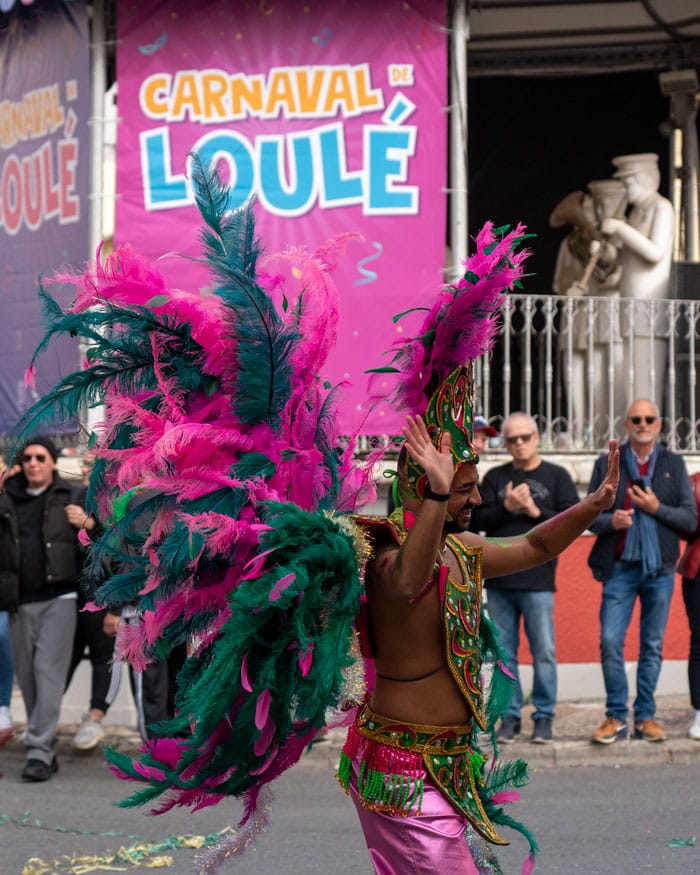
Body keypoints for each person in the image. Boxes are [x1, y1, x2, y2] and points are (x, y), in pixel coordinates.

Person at [587, 399, 696, 744]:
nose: (643, 424)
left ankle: (646, 716)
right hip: (619, 567)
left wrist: (655, 508)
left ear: (659, 425)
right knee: (609, 641)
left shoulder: (674, 464)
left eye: (649, 419)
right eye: (636, 419)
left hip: (660, 569)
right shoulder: (607, 463)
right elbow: (588, 514)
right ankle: (616, 716)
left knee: (652, 645)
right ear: (626, 424)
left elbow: (690, 519)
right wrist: (611, 520)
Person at [470, 413, 579, 744]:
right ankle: (510, 716)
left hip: (539, 581)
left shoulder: (558, 476)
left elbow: (571, 522)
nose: (519, 444)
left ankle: (543, 716)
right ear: (504, 443)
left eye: (524, 437)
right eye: (512, 439)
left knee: (543, 651)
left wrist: (534, 512)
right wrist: (506, 505)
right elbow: (476, 520)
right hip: (500, 581)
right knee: (504, 653)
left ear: (537, 438)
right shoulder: (493, 477)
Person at [0, 436, 83, 780]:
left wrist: (89, 525)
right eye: (28, 458)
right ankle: (45, 749)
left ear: (52, 462)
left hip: (59, 598)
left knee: (48, 673)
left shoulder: (72, 496)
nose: (34, 463)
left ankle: (37, 750)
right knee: (29, 678)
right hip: (19, 601)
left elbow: (103, 538)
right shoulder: (6, 500)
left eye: (41, 457)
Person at [601, 153, 674, 412]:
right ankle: (632, 431)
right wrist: (606, 246)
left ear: (644, 180)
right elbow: (621, 259)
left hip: (649, 310)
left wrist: (621, 230)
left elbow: (655, 252)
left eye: (627, 183)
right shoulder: (635, 214)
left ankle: (646, 429)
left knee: (646, 379)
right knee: (632, 381)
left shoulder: (661, 207)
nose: (624, 189)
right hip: (631, 307)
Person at [64, 452, 122, 750]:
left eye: (97, 464)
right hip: (68, 594)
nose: (90, 469)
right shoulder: (73, 494)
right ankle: (44, 715)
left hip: (102, 594)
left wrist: (91, 526)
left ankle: (95, 719)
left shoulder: (118, 501)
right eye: (87, 464)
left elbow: (121, 550)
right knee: (63, 656)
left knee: (104, 657)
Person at [677, 471, 700, 741]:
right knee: (699, 641)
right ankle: (699, 710)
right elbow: (685, 525)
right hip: (697, 569)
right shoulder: (692, 482)